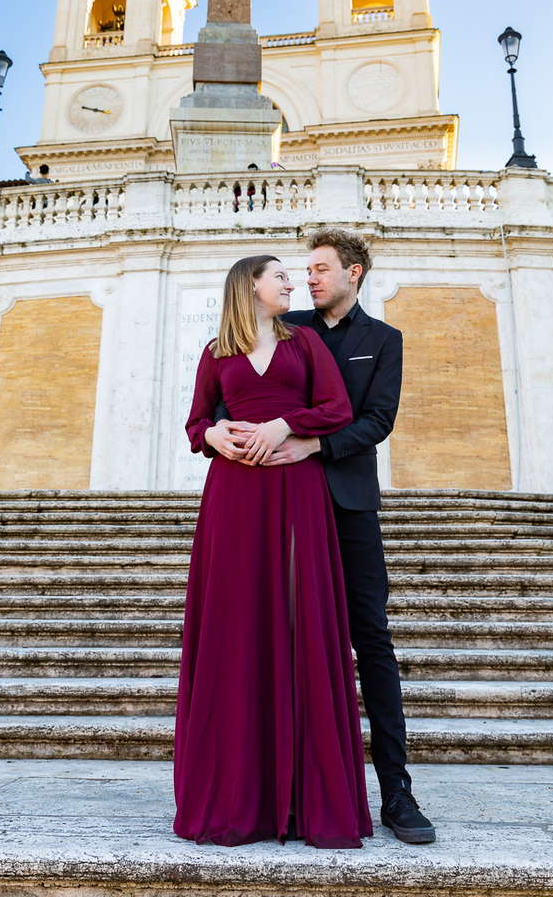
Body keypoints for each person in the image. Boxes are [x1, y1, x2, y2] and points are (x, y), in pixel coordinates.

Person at [211, 230, 436, 845]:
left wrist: (311, 442)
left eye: (319, 269)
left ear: (354, 273)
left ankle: (397, 792)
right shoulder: (289, 330)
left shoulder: (382, 340)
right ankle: (281, 789)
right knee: (277, 634)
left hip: (347, 503)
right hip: (277, 508)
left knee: (370, 637)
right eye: (300, 271)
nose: (307, 279)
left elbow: (377, 420)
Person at [173, 254, 373, 849]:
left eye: (294, 275)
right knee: (236, 625)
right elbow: (195, 421)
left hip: (295, 484)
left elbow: (338, 410)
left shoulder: (304, 343)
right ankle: (236, 794)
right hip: (233, 491)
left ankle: (303, 798)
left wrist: (286, 426)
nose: (293, 284)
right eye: (280, 276)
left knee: (297, 616)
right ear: (249, 286)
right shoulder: (217, 353)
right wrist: (211, 435)